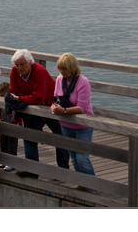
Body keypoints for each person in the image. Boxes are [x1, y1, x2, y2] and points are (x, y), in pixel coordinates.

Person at [9, 49, 69, 178]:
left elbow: (39, 97)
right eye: (17, 65)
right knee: (30, 137)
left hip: (51, 106)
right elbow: (12, 91)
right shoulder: (14, 71)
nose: (19, 67)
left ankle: (63, 170)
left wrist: (21, 98)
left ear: (30, 62)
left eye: (22, 64)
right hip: (31, 109)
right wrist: (22, 98)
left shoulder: (39, 71)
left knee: (60, 137)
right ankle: (32, 170)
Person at [51, 53, 96, 189]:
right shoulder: (59, 80)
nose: (62, 71)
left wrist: (63, 111)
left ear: (72, 67)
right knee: (74, 158)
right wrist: (54, 107)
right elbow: (55, 98)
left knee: (82, 158)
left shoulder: (83, 82)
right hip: (66, 124)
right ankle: (82, 184)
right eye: (60, 68)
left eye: (64, 68)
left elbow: (81, 108)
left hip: (82, 126)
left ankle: (92, 186)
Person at [0, 82, 23, 171]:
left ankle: (11, 163)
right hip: (3, 127)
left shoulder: (13, 103)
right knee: (3, 144)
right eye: (1, 96)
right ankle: (3, 160)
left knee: (12, 146)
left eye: (4, 96)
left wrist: (20, 125)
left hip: (13, 127)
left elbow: (18, 115)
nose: (3, 98)